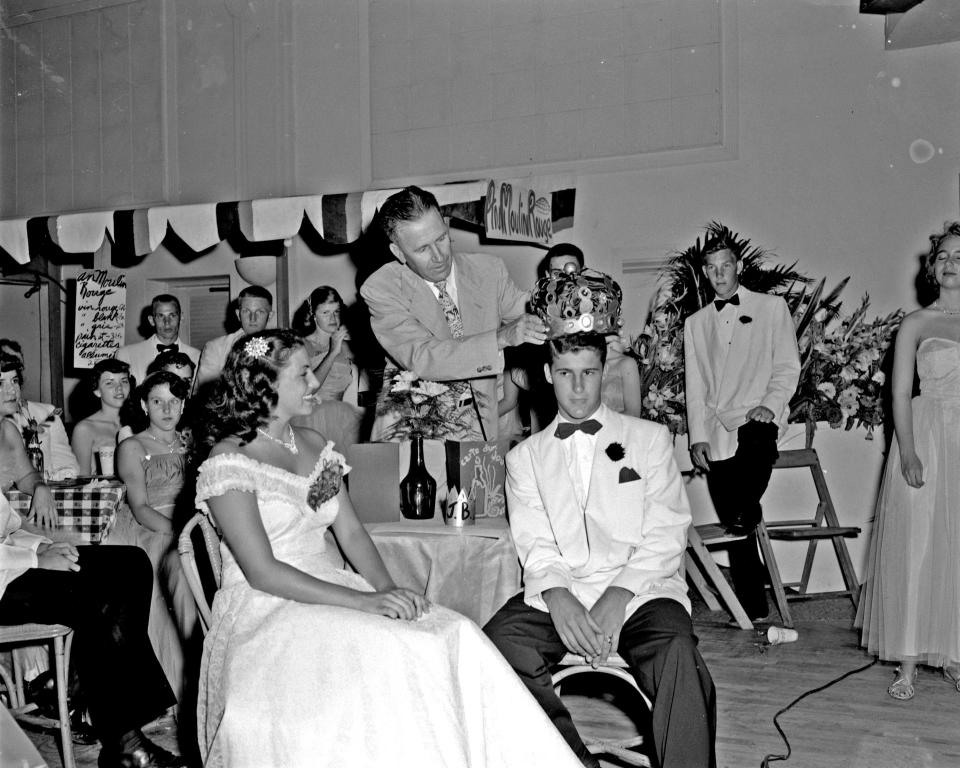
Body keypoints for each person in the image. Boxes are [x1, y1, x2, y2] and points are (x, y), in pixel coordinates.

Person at [193, 330, 582, 768]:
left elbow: (353, 535)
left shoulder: (314, 445)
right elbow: (263, 571)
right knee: (391, 650)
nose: (316, 383)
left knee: (454, 632)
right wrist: (366, 601)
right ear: (265, 385)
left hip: (331, 584)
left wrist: (390, 591)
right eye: (303, 374)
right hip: (268, 606)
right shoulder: (230, 462)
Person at [484, 331, 716, 768]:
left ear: (603, 372)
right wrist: (557, 595)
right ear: (548, 375)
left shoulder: (649, 438)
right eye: (566, 374)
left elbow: (667, 531)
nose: (577, 388)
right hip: (568, 590)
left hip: (643, 591)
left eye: (588, 373)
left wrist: (619, 594)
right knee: (499, 644)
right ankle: (570, 761)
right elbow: (536, 543)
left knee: (677, 654)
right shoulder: (525, 458)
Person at [0, 490, 184, 768]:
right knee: (96, 594)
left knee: (131, 565)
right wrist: (33, 561)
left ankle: (78, 685)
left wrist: (38, 547)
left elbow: (6, 530)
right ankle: (124, 744)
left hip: (10, 563)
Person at [856, 221, 960, 700]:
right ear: (932, 267)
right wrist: (910, 452)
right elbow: (899, 395)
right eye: (942, 255)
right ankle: (909, 665)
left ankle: (955, 655)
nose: (950, 262)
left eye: (959, 255)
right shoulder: (916, 324)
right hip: (926, 439)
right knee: (918, 549)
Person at [360, 185, 547, 441]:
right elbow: (423, 358)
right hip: (415, 435)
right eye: (422, 249)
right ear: (398, 252)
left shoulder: (489, 271)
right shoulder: (381, 289)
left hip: (480, 433)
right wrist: (500, 338)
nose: (439, 256)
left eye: (441, 238)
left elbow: (536, 313)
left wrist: (580, 312)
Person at [683, 233, 800, 622]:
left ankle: (745, 517)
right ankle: (754, 610)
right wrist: (697, 435)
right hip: (716, 430)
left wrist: (769, 406)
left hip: (757, 418)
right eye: (712, 268)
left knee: (742, 501)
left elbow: (786, 365)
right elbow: (695, 384)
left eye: (726, 265)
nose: (720, 274)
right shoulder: (695, 323)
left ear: (740, 266)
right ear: (705, 272)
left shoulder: (771, 307)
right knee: (738, 524)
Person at [113, 371, 197, 700]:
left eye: (173, 401)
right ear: (145, 406)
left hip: (196, 521)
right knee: (177, 575)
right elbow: (140, 507)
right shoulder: (132, 446)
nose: (166, 408)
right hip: (155, 526)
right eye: (157, 401)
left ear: (183, 403)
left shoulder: (194, 441)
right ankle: (182, 685)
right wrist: (181, 533)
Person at [290, 286, 362, 452]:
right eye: (325, 312)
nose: (333, 318)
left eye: (336, 312)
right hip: (310, 419)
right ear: (313, 314)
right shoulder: (302, 345)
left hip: (343, 418)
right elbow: (308, 390)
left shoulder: (346, 346)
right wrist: (332, 353)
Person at [0, 338, 80, 480]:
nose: (11, 389)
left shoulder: (47, 413)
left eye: (18, 367)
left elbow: (68, 465)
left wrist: (46, 482)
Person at [1, 356, 57, 528]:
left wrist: (39, 486)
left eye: (15, 380)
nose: (12, 391)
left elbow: (25, 475)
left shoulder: (8, 430)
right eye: (0, 383)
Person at [193, 286, 273, 389]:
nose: (253, 318)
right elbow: (205, 395)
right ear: (238, 314)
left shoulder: (283, 349)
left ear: (270, 315)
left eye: (260, 312)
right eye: (246, 311)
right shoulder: (216, 348)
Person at [117, 294, 200, 385]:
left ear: (181, 317)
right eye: (161, 316)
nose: (167, 323)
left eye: (172, 315)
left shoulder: (197, 356)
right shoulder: (127, 355)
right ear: (152, 320)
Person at [70, 358, 131, 475]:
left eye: (124, 381)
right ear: (97, 391)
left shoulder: (138, 422)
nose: (119, 388)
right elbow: (82, 479)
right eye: (109, 383)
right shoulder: (84, 429)